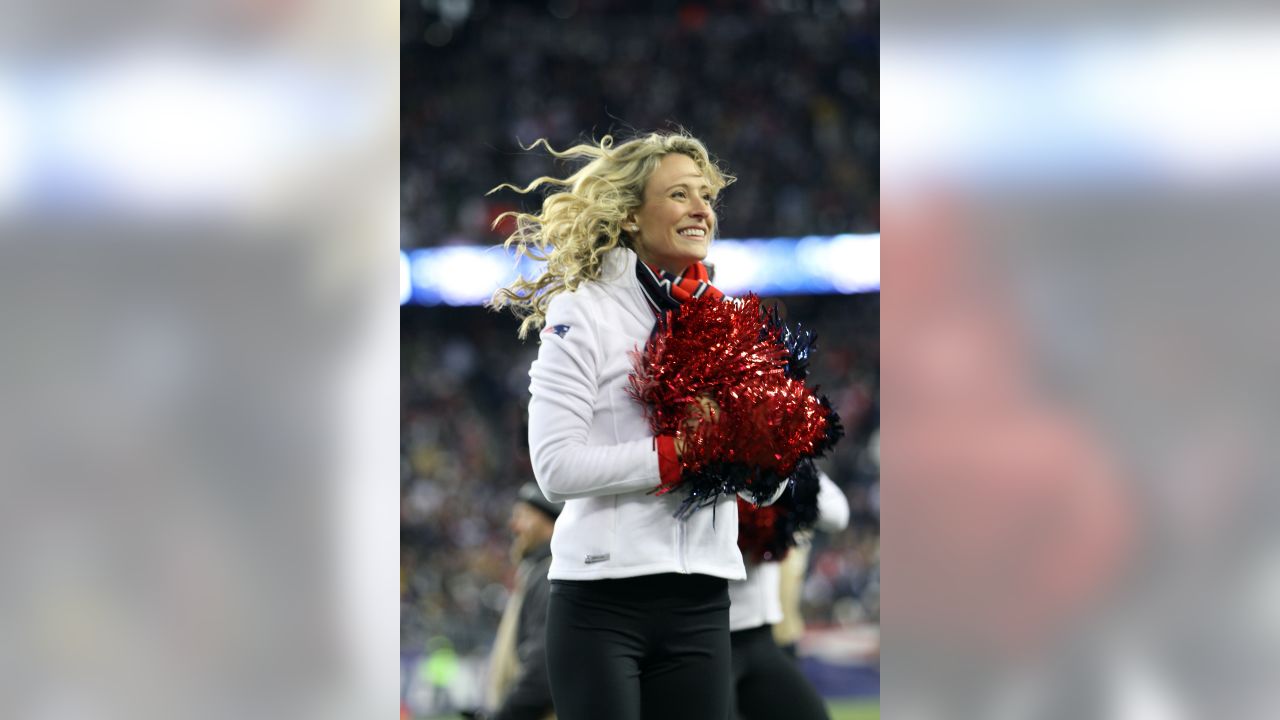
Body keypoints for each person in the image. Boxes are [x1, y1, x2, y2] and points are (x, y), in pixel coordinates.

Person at [489, 131, 786, 720]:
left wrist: (762, 449)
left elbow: (764, 487)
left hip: (703, 597)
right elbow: (555, 470)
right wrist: (681, 452)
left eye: (706, 196)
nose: (702, 209)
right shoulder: (585, 311)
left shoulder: (730, 322)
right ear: (630, 215)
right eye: (679, 194)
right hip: (602, 603)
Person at [729, 470, 849, 720]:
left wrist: (777, 482)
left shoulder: (783, 463)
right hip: (711, 634)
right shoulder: (710, 460)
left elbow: (838, 513)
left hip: (768, 635)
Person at [482, 482, 563, 720]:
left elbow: (543, 669)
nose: (513, 525)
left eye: (523, 516)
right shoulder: (536, 571)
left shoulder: (551, 574)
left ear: (550, 523)